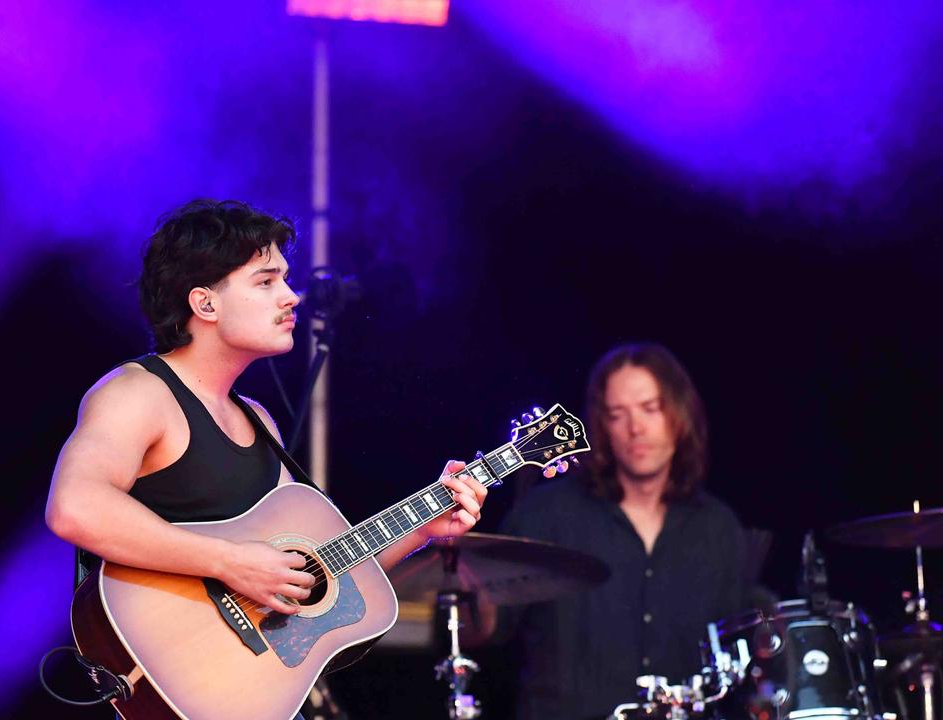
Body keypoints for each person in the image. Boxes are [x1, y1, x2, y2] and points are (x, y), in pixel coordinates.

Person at [45, 197, 487, 623]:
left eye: (285, 280)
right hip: (156, 663)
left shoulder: (258, 420)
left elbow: (311, 574)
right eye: (266, 281)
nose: (292, 297)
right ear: (205, 304)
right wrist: (229, 562)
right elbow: (75, 507)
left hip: (241, 685)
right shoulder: (137, 393)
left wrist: (423, 529)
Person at [499, 342, 746, 720]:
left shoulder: (718, 527)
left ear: (680, 414)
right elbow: (482, 629)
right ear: (600, 426)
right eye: (617, 414)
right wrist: (457, 579)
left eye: (651, 409)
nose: (636, 428)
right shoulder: (544, 514)